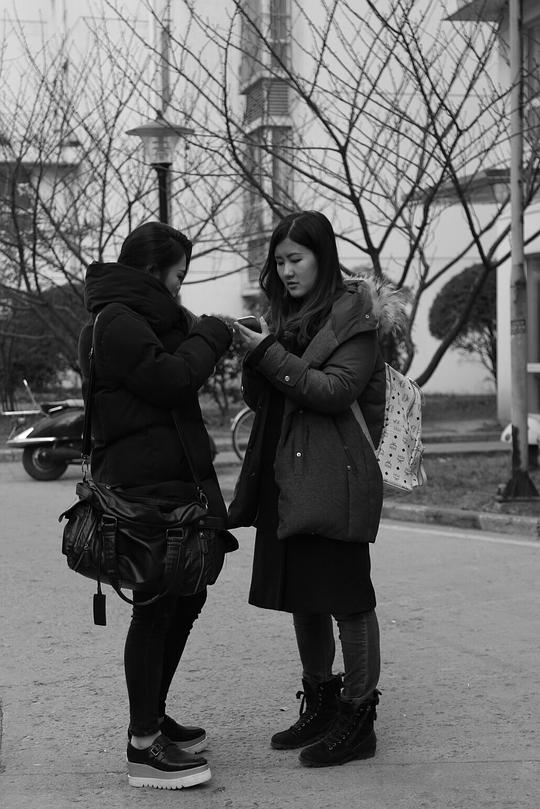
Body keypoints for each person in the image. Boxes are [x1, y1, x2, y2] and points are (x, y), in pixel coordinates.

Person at [79, 221, 234, 790]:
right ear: (151, 271)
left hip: (170, 486)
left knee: (186, 596)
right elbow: (171, 380)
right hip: (145, 493)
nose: (179, 288)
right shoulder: (118, 321)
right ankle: (143, 748)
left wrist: (203, 330)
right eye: (177, 276)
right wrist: (212, 333)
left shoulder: (143, 319)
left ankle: (153, 715)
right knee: (156, 607)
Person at [228, 210, 386, 768]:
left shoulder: (355, 318)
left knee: (347, 597)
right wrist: (253, 356)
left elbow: (335, 391)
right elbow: (264, 399)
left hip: (334, 476)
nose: (287, 271)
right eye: (279, 262)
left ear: (324, 257)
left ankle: (358, 717)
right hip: (286, 472)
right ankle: (320, 702)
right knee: (304, 594)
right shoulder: (286, 317)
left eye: (296, 259)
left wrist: (267, 353)